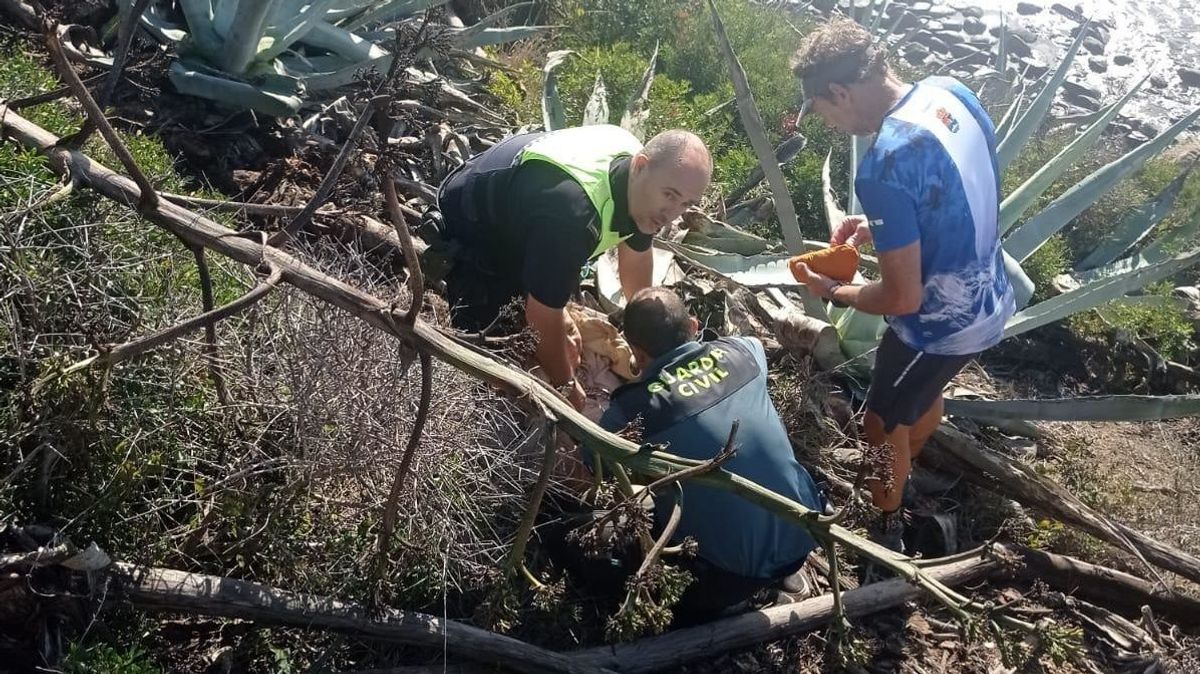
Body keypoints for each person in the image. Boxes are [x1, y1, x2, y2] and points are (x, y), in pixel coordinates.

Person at [789, 19, 1015, 550]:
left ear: (840, 92)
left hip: (939, 327)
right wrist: (886, 229)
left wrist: (831, 291)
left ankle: (883, 523)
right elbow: (957, 185)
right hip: (993, 299)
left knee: (879, 421)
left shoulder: (884, 163)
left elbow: (901, 298)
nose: (830, 125)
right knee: (921, 395)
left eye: (823, 111)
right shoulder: (948, 93)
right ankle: (905, 461)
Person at [433, 125, 712, 410]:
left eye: (686, 204)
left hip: (530, 217)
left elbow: (637, 257)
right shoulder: (573, 216)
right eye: (670, 195)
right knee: (493, 368)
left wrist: (652, 341)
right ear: (641, 165)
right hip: (474, 225)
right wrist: (568, 389)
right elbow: (540, 315)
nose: (673, 214)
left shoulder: (641, 187)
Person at [595, 287, 824, 625]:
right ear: (693, 324)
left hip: (726, 577)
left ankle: (733, 601)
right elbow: (754, 345)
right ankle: (779, 575)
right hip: (802, 534)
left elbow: (592, 463)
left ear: (638, 354)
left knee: (592, 542)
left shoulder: (631, 409)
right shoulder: (743, 353)